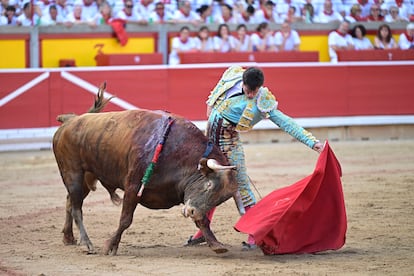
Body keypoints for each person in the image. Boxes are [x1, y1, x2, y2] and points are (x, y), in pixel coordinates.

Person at [184, 66, 324, 249]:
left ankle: (255, 235)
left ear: (260, 87)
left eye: (254, 91)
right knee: (209, 186)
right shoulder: (232, 77)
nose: (251, 95)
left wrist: (313, 143)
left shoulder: (263, 100)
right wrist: (210, 106)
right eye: (249, 90)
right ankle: (203, 231)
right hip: (210, 144)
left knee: (242, 190)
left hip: (230, 146)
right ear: (242, 82)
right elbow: (212, 98)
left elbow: (285, 122)